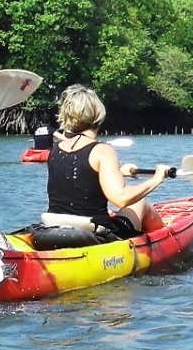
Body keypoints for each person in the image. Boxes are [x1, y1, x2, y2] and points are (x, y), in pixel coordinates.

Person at [45, 84, 171, 238]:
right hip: (94, 236)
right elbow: (121, 198)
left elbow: (78, 178)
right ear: (98, 113)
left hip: (53, 231)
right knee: (140, 202)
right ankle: (167, 239)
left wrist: (118, 172)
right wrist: (156, 179)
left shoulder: (55, 149)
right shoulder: (103, 150)